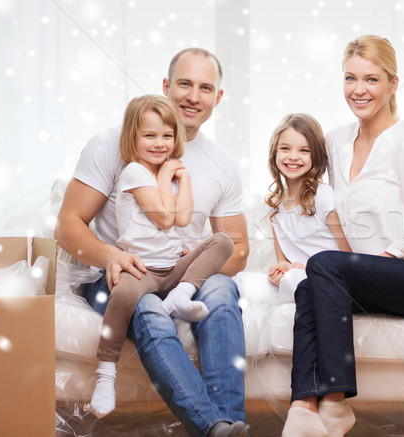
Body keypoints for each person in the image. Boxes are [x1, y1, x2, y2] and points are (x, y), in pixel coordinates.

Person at [282, 35, 404, 437]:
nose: (359, 90)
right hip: (371, 274)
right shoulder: (334, 142)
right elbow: (309, 194)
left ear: (393, 83)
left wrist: (357, 269)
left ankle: (334, 403)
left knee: (324, 269)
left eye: (371, 79)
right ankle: (302, 406)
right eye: (350, 78)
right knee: (307, 287)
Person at [55, 48, 249, 437]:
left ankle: (229, 422)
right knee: (147, 308)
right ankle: (212, 427)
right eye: (184, 84)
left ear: (218, 98)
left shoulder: (221, 164)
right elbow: (68, 225)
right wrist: (111, 254)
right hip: (119, 275)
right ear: (166, 86)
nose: (194, 96)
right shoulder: (113, 144)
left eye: (205, 88)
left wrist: (193, 265)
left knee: (224, 290)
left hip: (178, 272)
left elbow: (239, 249)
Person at [90, 95, 234, 419]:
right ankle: (106, 372)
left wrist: (185, 179)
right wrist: (166, 175)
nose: (159, 144)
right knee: (124, 293)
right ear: (133, 138)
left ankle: (180, 297)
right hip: (142, 272)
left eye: (167, 136)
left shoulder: (165, 173)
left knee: (223, 241)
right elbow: (164, 218)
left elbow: (182, 220)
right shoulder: (135, 173)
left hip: (172, 269)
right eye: (149, 136)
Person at [237, 113, 350, 306]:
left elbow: (347, 254)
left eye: (304, 150)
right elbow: (284, 262)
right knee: (242, 284)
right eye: (285, 148)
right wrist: (280, 271)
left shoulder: (323, 196)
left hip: (328, 276)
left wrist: (308, 269)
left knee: (293, 282)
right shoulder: (275, 207)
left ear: (316, 156)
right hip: (296, 277)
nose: (293, 157)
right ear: (274, 153)